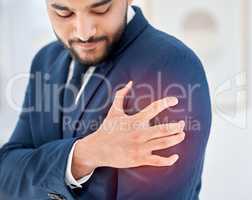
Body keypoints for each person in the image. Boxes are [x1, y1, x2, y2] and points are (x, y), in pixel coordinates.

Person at [0, 0, 212, 199]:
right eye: (63, 13)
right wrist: (82, 156)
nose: (84, 33)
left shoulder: (170, 65)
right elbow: (5, 174)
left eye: (100, 9)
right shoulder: (45, 60)